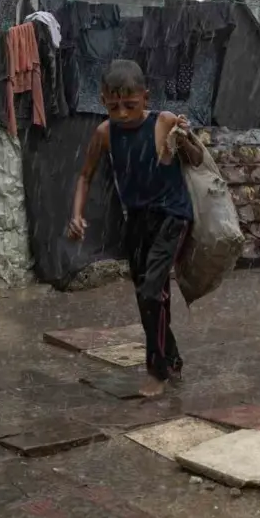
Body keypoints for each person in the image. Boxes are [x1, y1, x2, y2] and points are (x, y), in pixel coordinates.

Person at [67, 59, 203, 397]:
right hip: (137, 219)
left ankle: (157, 371)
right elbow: (85, 176)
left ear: (146, 97)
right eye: (114, 106)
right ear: (102, 101)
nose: (123, 114)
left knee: (150, 292)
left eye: (130, 105)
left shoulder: (164, 122)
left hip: (173, 216)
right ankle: (171, 358)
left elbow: (197, 159)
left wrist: (184, 139)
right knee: (150, 296)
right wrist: (76, 215)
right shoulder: (104, 133)